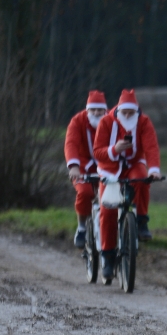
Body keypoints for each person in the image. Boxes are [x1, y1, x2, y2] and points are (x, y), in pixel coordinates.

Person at [92, 89, 161, 282]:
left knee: (142, 179)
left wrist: (154, 169)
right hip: (110, 169)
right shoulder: (106, 122)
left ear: (136, 111)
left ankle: (141, 221)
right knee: (108, 210)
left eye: (132, 112)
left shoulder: (144, 122)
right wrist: (114, 149)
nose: (128, 116)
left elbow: (151, 147)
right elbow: (97, 152)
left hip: (133, 165)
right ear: (119, 110)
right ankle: (107, 256)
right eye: (125, 112)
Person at [64, 90, 108, 248]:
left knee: (114, 196)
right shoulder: (77, 121)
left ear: (105, 110)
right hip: (83, 166)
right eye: (93, 109)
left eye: (100, 110)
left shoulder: (111, 121)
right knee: (85, 192)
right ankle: (82, 227)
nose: (96, 113)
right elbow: (71, 143)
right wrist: (74, 166)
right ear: (87, 110)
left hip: (107, 165)